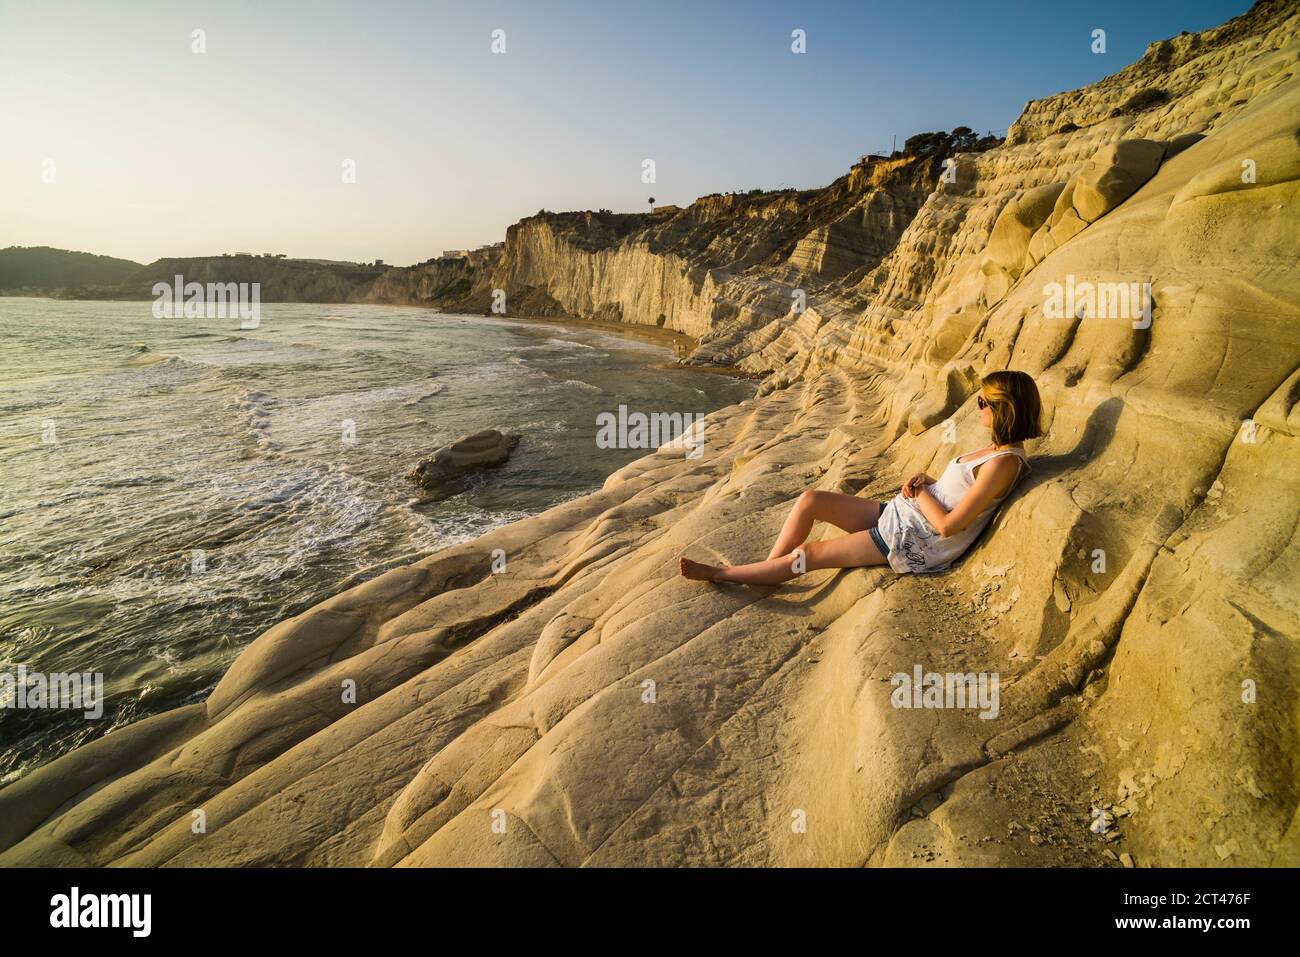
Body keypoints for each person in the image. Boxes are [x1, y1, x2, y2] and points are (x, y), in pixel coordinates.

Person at [679, 370, 1042, 584]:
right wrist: (927, 482)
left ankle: (725, 575)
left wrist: (920, 496)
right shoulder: (995, 452)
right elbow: (960, 492)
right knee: (811, 500)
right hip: (904, 514)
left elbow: (949, 526)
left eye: (983, 402)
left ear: (1003, 409)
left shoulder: (1004, 463)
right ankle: (767, 570)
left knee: (806, 554)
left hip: (915, 538)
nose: (978, 407)